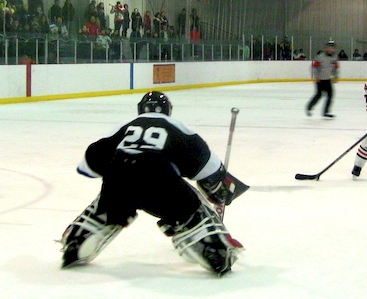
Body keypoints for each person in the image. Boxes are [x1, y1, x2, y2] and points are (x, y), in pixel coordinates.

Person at [58, 91, 245, 275]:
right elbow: (207, 167)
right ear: (167, 110)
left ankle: (78, 240)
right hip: (159, 178)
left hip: (119, 174)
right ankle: (212, 247)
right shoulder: (176, 126)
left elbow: (90, 163)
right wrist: (218, 188)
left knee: (108, 205)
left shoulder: (126, 125)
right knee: (190, 209)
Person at [306, 40, 339, 118]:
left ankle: (326, 112)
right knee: (319, 95)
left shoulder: (334, 57)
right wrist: (316, 76)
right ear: (326, 48)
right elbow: (314, 67)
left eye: (332, 48)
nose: (330, 50)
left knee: (330, 95)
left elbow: (335, 67)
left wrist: (335, 76)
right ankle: (309, 107)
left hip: (327, 79)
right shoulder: (320, 57)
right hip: (320, 79)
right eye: (329, 48)